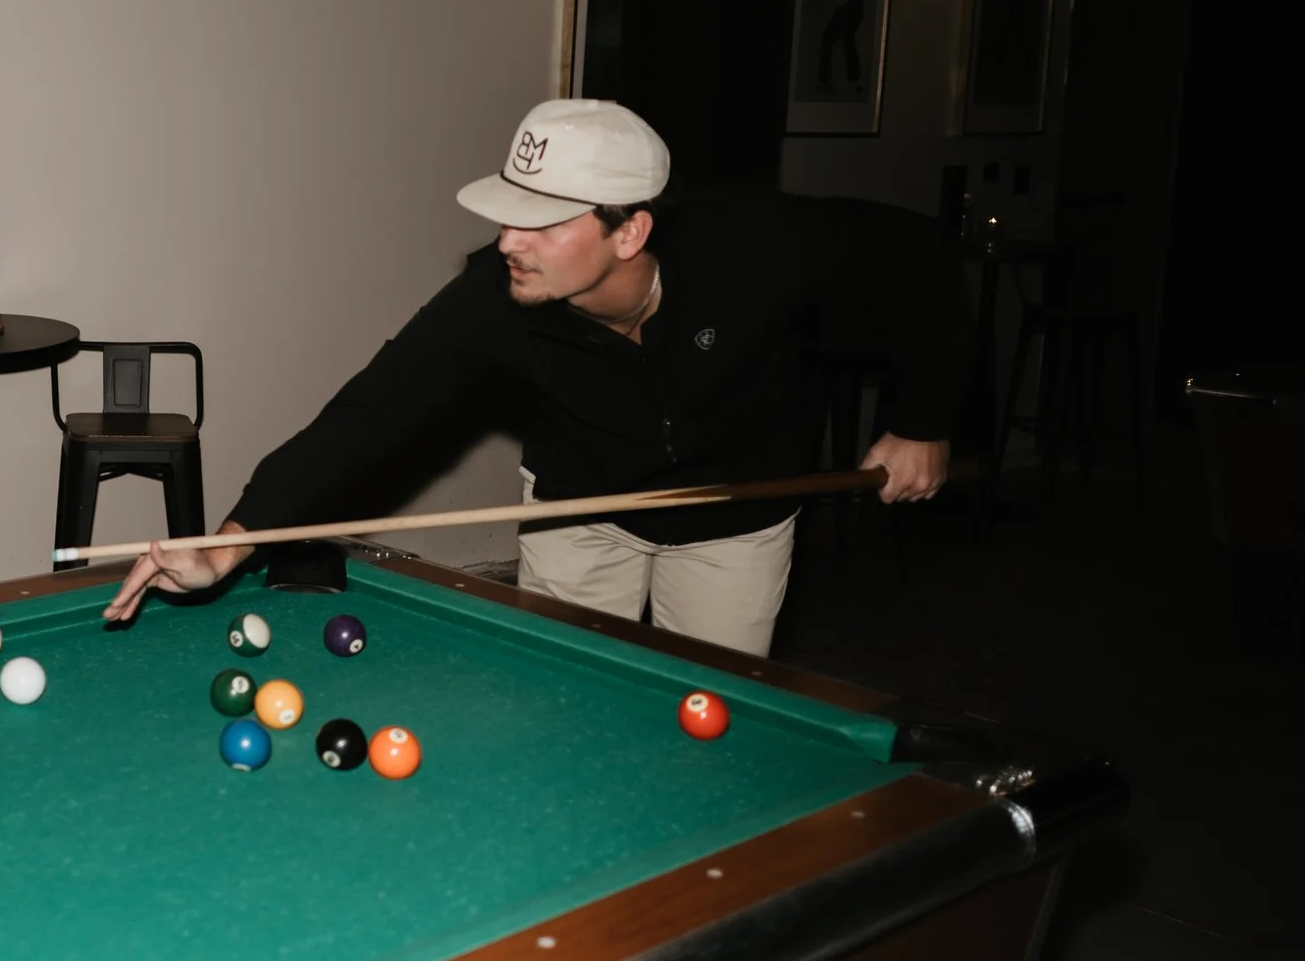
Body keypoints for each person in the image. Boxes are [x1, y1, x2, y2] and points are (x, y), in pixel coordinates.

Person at [106, 99, 967, 657]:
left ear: (627, 231)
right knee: (561, 700)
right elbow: (371, 410)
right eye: (508, 211)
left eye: (538, 221)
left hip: (735, 515)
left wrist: (922, 416)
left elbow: (920, 261)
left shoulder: (761, 245)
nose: (507, 239)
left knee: (708, 718)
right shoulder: (496, 293)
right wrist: (236, 536)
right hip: (578, 509)